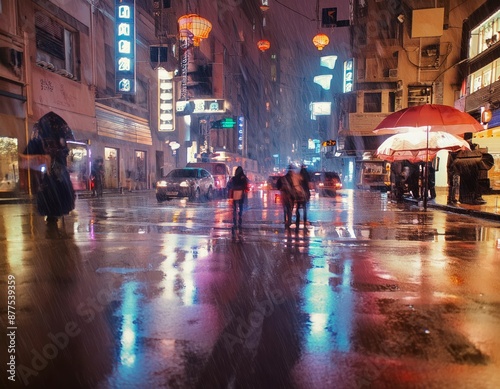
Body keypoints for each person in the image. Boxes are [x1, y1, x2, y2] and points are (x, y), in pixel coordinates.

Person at [227, 166, 249, 234]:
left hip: (235, 192)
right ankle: (240, 215)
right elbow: (246, 183)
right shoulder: (243, 177)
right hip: (241, 192)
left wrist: (233, 187)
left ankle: (235, 216)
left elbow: (229, 184)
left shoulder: (234, 178)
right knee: (241, 204)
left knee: (234, 205)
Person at [277, 166, 296, 230]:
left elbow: (278, 185)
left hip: (283, 195)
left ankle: (285, 219)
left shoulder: (282, 178)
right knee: (289, 208)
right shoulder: (292, 178)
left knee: (285, 207)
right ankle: (289, 221)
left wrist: (281, 189)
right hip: (290, 195)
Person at [298, 165, 311, 231]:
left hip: (301, 193)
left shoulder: (300, 175)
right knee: (305, 207)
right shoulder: (306, 175)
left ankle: (299, 218)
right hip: (305, 192)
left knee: (299, 207)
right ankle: (304, 218)